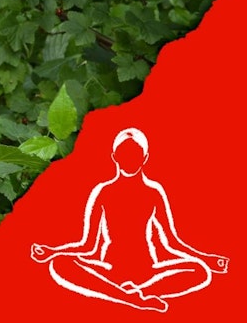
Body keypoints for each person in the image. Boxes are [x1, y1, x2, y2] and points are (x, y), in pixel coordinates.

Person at [31, 127, 229, 312]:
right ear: (115, 157)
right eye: (124, 154)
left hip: (147, 270)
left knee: (200, 271)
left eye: (135, 154)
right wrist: (52, 252)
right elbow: (88, 245)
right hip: (110, 268)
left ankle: (134, 295)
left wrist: (207, 260)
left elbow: (171, 242)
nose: (129, 160)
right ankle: (130, 298)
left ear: (144, 157)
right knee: (60, 264)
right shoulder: (104, 192)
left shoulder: (154, 193)